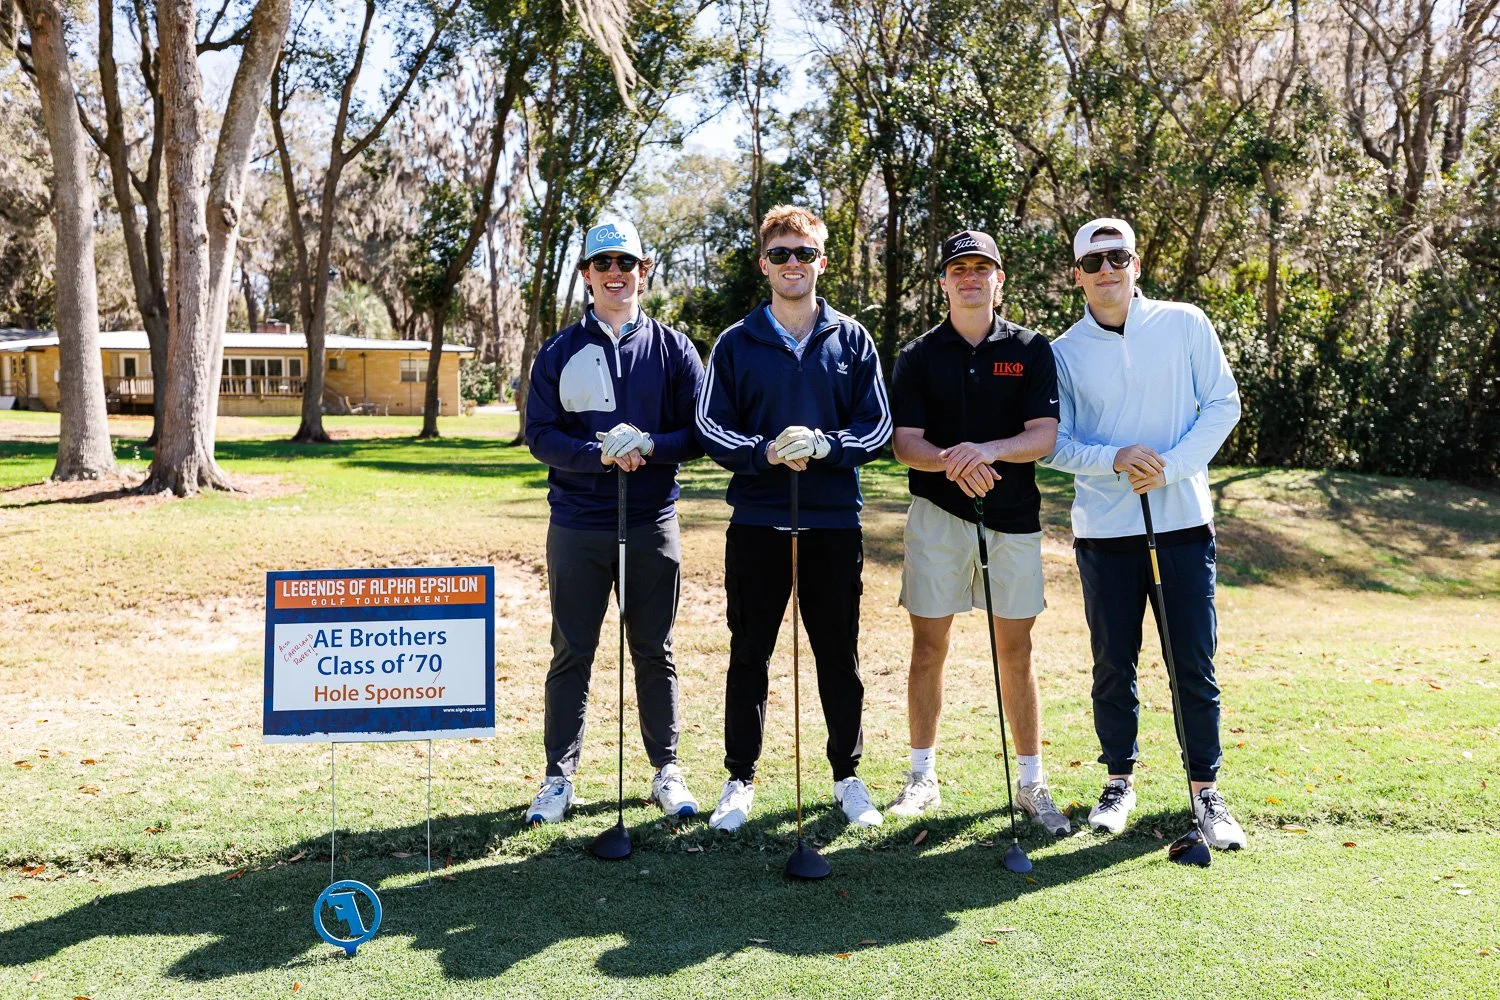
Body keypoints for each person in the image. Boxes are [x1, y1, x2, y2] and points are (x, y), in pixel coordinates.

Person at [1041, 217, 1247, 849]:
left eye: (1119, 257)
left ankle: (1206, 793)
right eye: (1095, 261)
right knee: (1113, 663)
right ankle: (1119, 782)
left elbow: (1222, 403)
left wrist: (1172, 469)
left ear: (1137, 265)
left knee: (1193, 661)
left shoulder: (1185, 323)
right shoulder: (1062, 351)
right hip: (1105, 531)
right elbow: (1055, 444)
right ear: (1077, 274)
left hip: (1183, 521)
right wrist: (1114, 459)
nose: (1109, 270)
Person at [695, 205, 893, 831]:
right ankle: (739, 778)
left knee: (838, 653)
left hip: (833, 524)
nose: (792, 264)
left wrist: (829, 445)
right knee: (750, 651)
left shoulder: (852, 338)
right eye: (780, 254)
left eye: (803, 253)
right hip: (758, 523)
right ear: (764, 264)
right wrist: (766, 452)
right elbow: (710, 426)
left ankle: (847, 775)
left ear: (821, 262)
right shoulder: (735, 341)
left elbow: (878, 426)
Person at [885, 230, 1070, 835]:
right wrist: (953, 463)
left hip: (1012, 521)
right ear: (943, 281)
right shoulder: (918, 355)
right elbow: (904, 443)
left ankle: (1032, 783)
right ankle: (921, 777)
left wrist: (983, 450)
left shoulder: (1030, 348)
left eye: (980, 268)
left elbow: (1043, 433)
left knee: (1016, 652)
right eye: (957, 267)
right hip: (937, 517)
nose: (969, 277)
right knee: (928, 649)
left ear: (999, 279)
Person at [523, 217, 705, 824]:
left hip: (652, 520)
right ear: (587, 275)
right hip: (578, 523)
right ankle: (558, 778)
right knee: (572, 650)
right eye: (604, 264)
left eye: (627, 263)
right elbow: (541, 436)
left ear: (643, 272)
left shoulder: (674, 348)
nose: (616, 274)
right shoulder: (558, 350)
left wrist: (649, 445)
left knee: (654, 649)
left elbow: (698, 433)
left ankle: (666, 770)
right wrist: (597, 457)